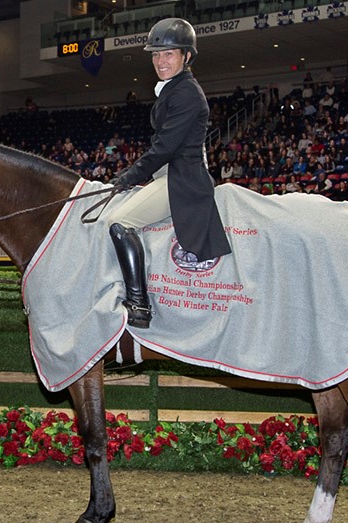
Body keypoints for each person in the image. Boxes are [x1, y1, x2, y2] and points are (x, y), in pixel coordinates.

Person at [108, 18, 231, 328]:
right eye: (155, 55)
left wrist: (128, 177)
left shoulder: (187, 93)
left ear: (186, 56)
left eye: (169, 54)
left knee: (119, 222)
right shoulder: (172, 89)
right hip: (168, 172)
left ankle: (139, 304)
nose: (160, 62)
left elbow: (164, 148)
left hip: (182, 177)